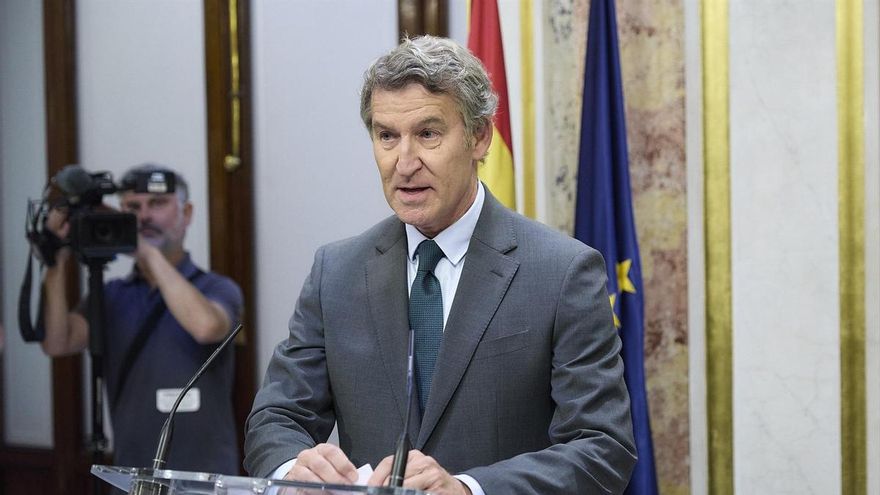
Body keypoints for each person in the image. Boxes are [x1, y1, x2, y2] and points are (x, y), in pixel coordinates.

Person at [244, 36, 636, 494]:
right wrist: (293, 466)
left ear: (479, 136)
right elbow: (276, 417)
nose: (404, 162)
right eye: (386, 136)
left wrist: (470, 488)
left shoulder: (562, 271)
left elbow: (601, 447)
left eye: (428, 134)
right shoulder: (337, 272)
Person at [40, 164, 243, 475]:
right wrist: (55, 262)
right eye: (133, 207)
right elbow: (57, 342)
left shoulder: (217, 288)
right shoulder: (111, 295)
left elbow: (207, 327)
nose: (145, 216)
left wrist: (145, 253)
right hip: (132, 477)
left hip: (207, 478)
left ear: (186, 213)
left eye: (158, 204)